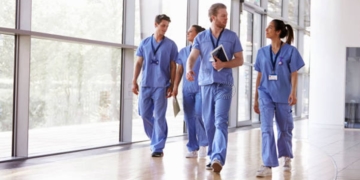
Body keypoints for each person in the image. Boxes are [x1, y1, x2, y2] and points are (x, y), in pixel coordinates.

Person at [186, 3, 244, 173]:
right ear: (213, 17)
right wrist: (189, 69)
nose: (226, 18)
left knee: (220, 121)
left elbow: (239, 60)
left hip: (224, 85)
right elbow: (192, 57)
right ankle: (212, 156)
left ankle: (218, 156)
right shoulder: (201, 37)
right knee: (209, 122)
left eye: (226, 15)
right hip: (206, 85)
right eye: (223, 16)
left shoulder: (232, 37)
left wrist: (224, 64)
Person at [253, 19, 304, 177]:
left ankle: (287, 156)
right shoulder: (261, 52)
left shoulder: (291, 51)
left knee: (284, 129)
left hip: (283, 94)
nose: (266, 29)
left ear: (278, 32)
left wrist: (293, 92)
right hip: (265, 94)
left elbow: (294, 73)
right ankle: (267, 164)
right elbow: (259, 75)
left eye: (270, 28)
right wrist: (255, 98)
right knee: (266, 128)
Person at [132, 14, 178, 158]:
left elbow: (173, 66)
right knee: (144, 114)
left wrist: (171, 84)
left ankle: (158, 147)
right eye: (163, 25)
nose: (165, 29)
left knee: (159, 116)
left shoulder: (171, 45)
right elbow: (139, 63)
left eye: (167, 26)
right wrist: (134, 80)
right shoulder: (144, 43)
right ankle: (155, 139)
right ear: (155, 24)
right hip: (145, 84)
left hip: (161, 85)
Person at [173, 25, 208, 159]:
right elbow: (179, 71)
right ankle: (193, 147)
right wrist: (175, 86)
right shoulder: (183, 52)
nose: (188, 33)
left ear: (198, 34)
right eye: (187, 31)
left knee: (199, 114)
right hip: (187, 89)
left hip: (201, 88)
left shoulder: (204, 51)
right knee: (189, 118)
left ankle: (204, 144)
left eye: (191, 31)